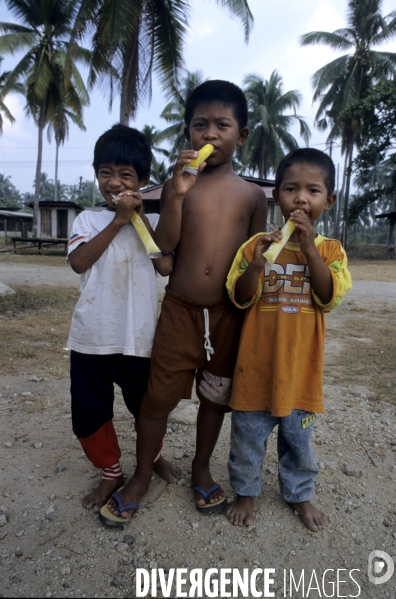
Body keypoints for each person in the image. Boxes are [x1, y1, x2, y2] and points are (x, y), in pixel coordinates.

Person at [104, 80, 268, 524]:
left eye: (222, 125)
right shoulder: (178, 186)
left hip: (228, 315)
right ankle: (140, 475)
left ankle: (201, 467)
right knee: (156, 400)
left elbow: (252, 260)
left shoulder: (253, 196)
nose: (210, 134)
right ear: (187, 133)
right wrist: (175, 195)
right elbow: (164, 246)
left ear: (243, 134)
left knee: (215, 399)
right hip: (180, 310)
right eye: (200, 125)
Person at [225, 148, 352, 531]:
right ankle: (245, 492)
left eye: (313, 191)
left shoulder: (330, 250)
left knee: (299, 442)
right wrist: (258, 265)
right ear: (276, 195)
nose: (301, 198)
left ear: (327, 201)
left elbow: (329, 297)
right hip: (256, 369)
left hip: (302, 373)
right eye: (291, 189)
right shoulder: (255, 246)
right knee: (247, 438)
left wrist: (310, 248)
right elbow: (240, 296)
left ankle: (299, 494)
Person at [67, 124, 179, 518]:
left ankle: (152, 460)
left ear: (143, 181)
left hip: (138, 339)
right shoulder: (86, 221)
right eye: (105, 172)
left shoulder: (144, 222)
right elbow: (79, 262)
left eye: (125, 175)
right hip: (91, 339)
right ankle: (111, 472)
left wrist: (137, 220)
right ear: (96, 174)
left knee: (147, 409)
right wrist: (116, 220)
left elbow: (164, 265)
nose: (114, 182)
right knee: (89, 412)